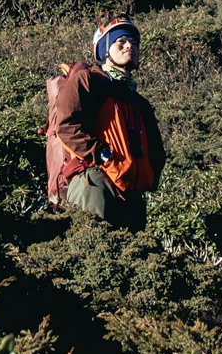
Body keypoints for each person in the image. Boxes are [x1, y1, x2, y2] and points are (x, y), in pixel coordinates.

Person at [53, 15, 166, 231]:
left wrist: (151, 174)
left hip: (132, 194)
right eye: (120, 41)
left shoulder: (139, 102)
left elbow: (155, 149)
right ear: (104, 49)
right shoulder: (89, 81)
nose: (129, 46)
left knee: (134, 259)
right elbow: (66, 125)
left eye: (133, 42)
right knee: (94, 249)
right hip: (95, 181)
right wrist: (100, 153)